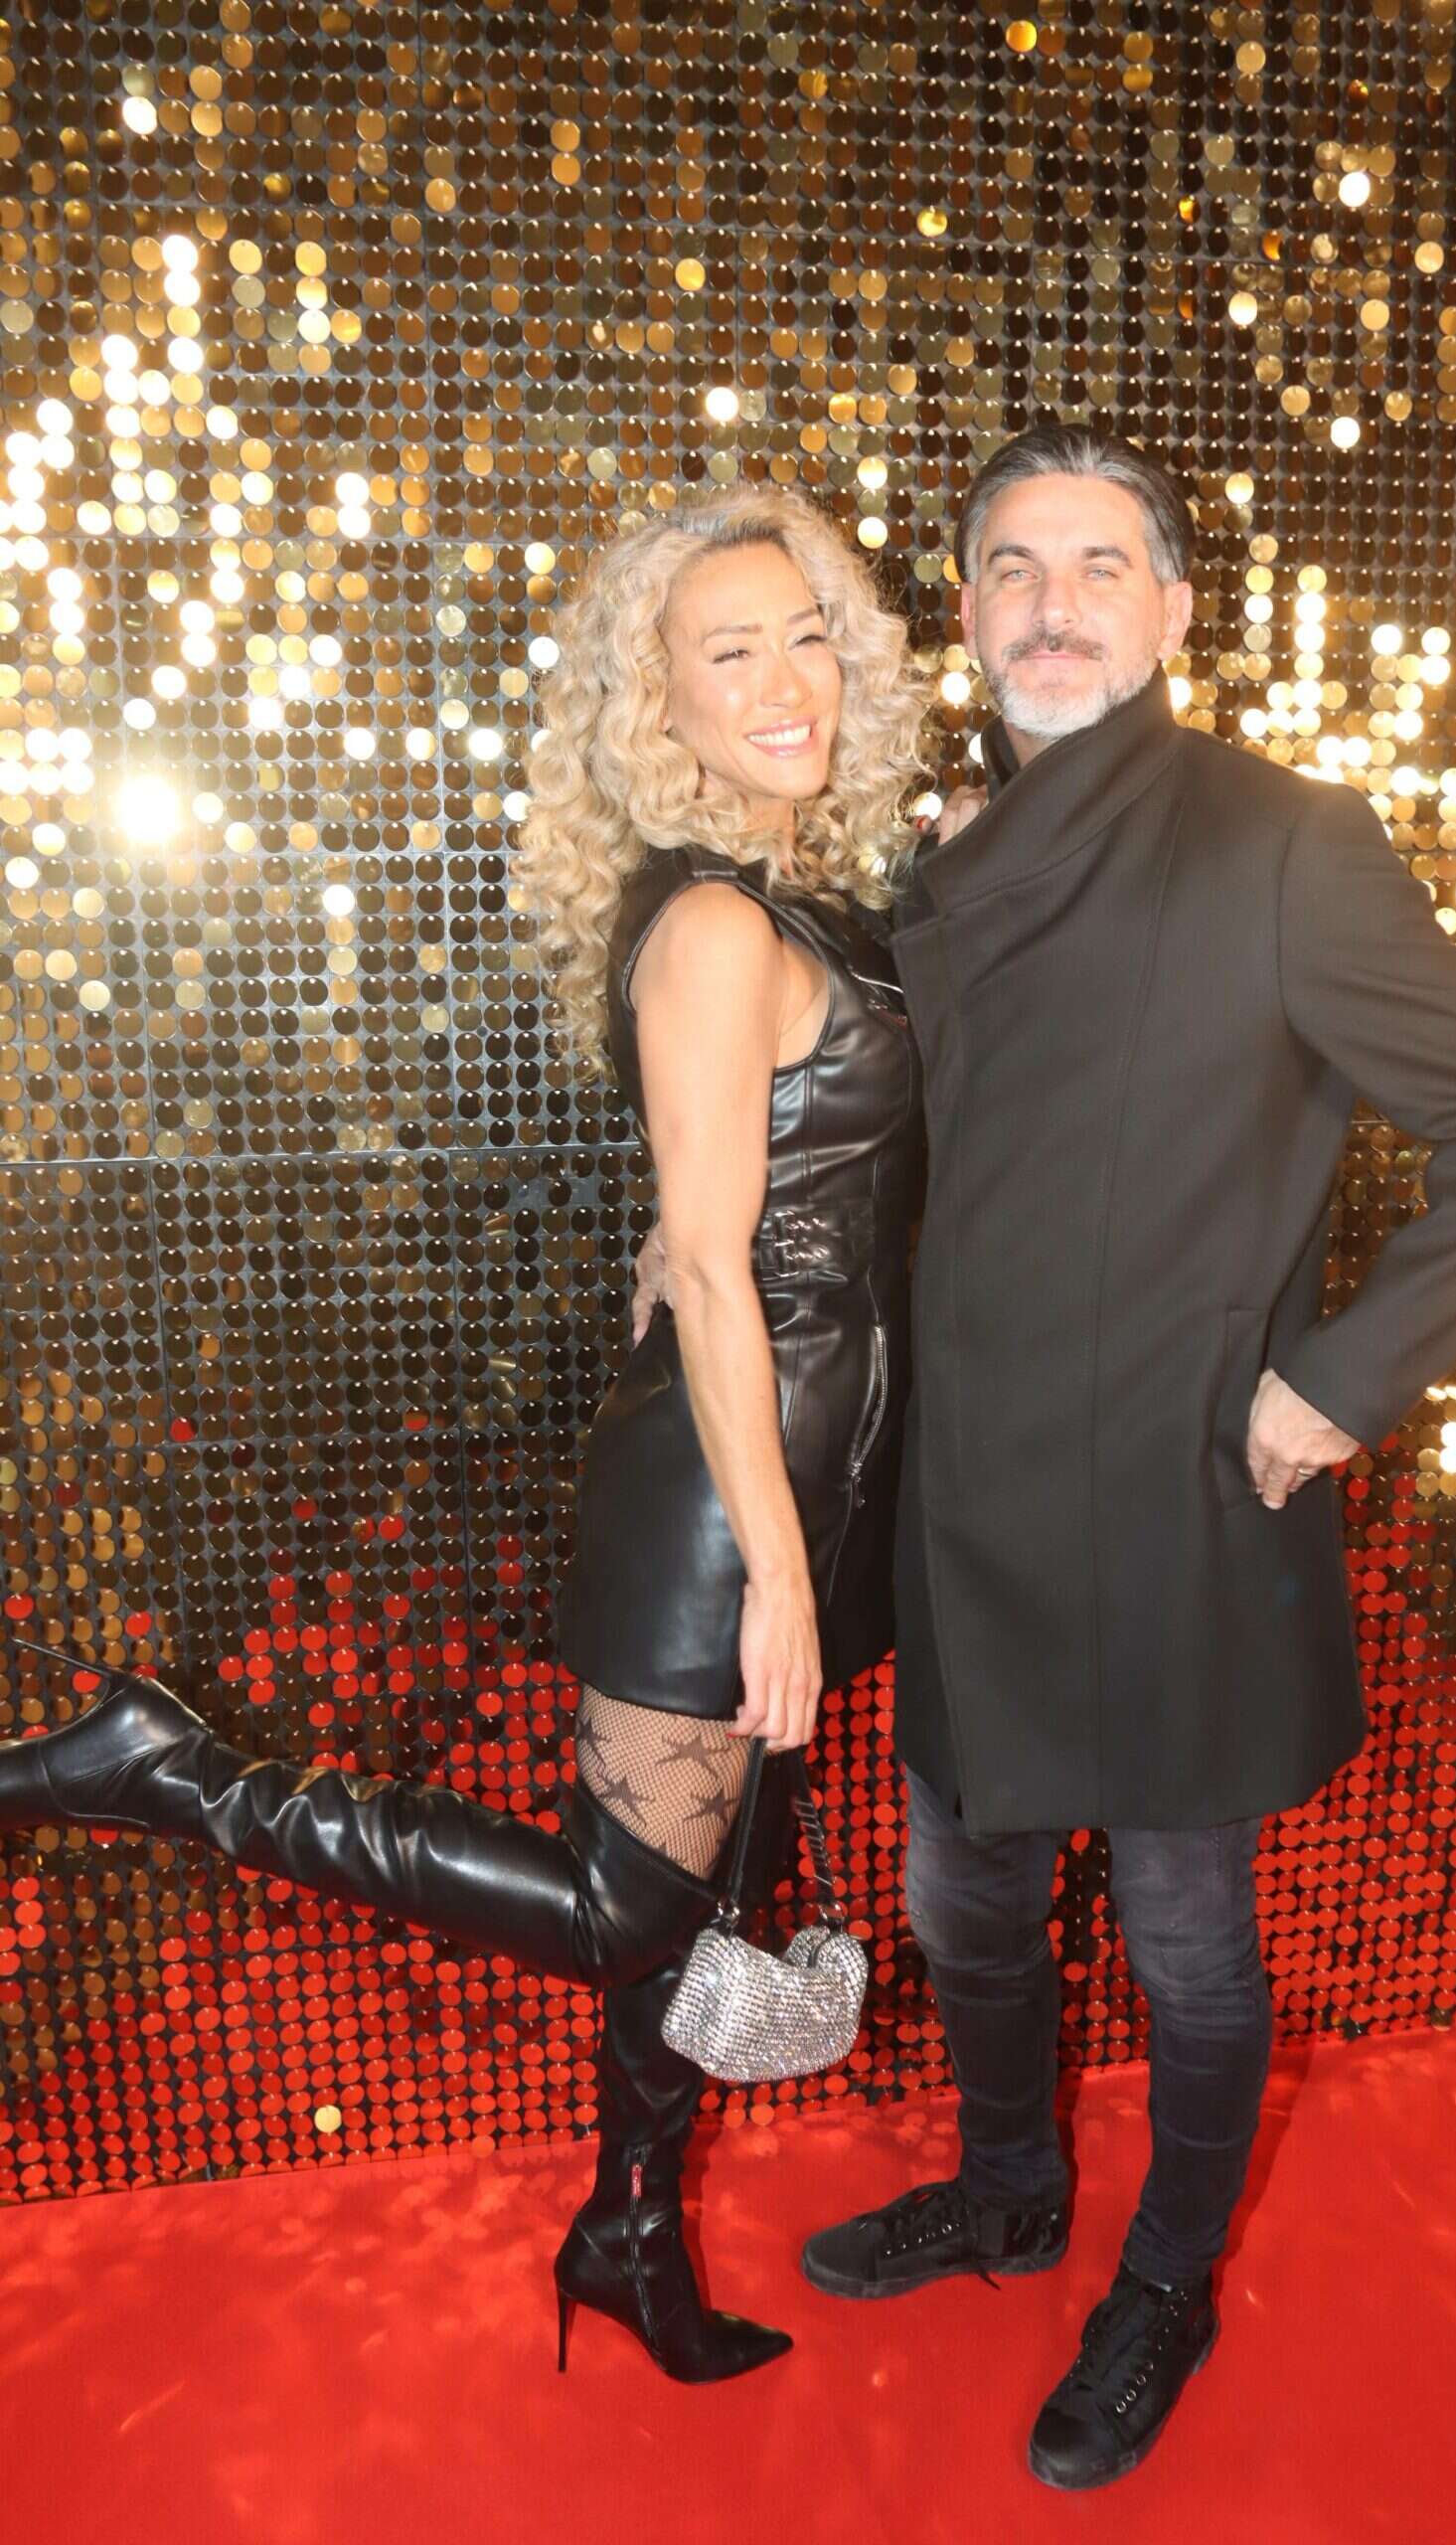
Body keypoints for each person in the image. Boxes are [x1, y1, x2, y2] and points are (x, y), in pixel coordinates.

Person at [0, 483, 928, 2388]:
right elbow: (718, 1268)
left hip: (816, 1472)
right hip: (730, 1499)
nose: (785, 682)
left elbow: (756, 1214)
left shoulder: (802, 897)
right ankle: (174, 1772)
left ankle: (630, 2233)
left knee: (710, 1899)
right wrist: (772, 1565)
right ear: (660, 702)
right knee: (622, 1907)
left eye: (807, 635)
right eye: (730, 651)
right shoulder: (714, 925)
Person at [790, 421, 1456, 2491]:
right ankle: (1008, 2190)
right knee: (960, 1901)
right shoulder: (941, 855)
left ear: (1169, 607)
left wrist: (1339, 1381)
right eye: (1011, 566)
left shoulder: (1280, 842)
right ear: (967, 612)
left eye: (1097, 565)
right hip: (971, 1501)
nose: (1050, 604)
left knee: (1184, 1940)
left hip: (1175, 1494)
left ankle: (1163, 2278)